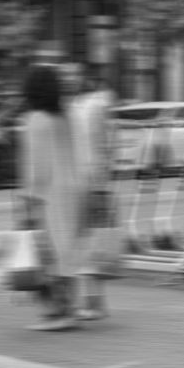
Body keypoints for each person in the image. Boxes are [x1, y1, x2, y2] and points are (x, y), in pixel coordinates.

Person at [17, 61, 86, 330]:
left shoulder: (34, 120)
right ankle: (69, 307)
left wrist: (29, 199)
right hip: (73, 188)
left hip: (49, 193)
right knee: (66, 251)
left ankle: (60, 312)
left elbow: (37, 167)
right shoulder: (65, 116)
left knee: (49, 252)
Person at [62, 58, 116, 321]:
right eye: (64, 74)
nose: (68, 78)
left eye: (73, 73)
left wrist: (102, 181)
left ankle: (96, 303)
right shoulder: (70, 106)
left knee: (94, 242)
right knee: (82, 243)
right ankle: (92, 302)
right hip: (74, 183)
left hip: (93, 181)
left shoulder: (96, 104)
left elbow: (107, 144)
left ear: (83, 76)